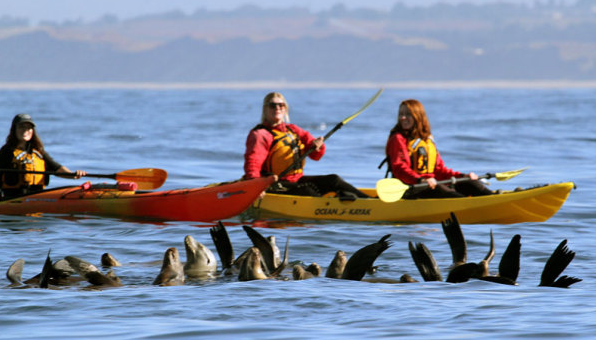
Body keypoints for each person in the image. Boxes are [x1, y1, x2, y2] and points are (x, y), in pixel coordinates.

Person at [243, 92, 368, 199]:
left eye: (281, 105)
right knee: (307, 190)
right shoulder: (260, 134)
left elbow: (315, 155)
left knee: (333, 179)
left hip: (296, 181)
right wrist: (255, 186)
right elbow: (253, 163)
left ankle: (369, 201)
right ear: (265, 109)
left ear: (285, 109)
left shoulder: (293, 130)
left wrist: (318, 145)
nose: (277, 108)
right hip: (273, 184)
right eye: (273, 105)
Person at [382, 99, 494, 199]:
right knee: (441, 189)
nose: (402, 118)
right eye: (401, 114)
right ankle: (468, 207)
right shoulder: (398, 138)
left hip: (431, 184)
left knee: (469, 182)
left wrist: (462, 176)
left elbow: (439, 170)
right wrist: (420, 180)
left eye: (408, 114)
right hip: (410, 188)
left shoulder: (427, 139)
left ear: (418, 116)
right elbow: (399, 168)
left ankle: (494, 199)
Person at [0, 113, 86, 198]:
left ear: (33, 131)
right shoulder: (6, 152)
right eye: (21, 127)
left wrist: (74, 175)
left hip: (38, 197)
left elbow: (57, 169)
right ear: (14, 129)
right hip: (14, 199)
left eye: (29, 127)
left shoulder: (38, 152)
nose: (25, 130)